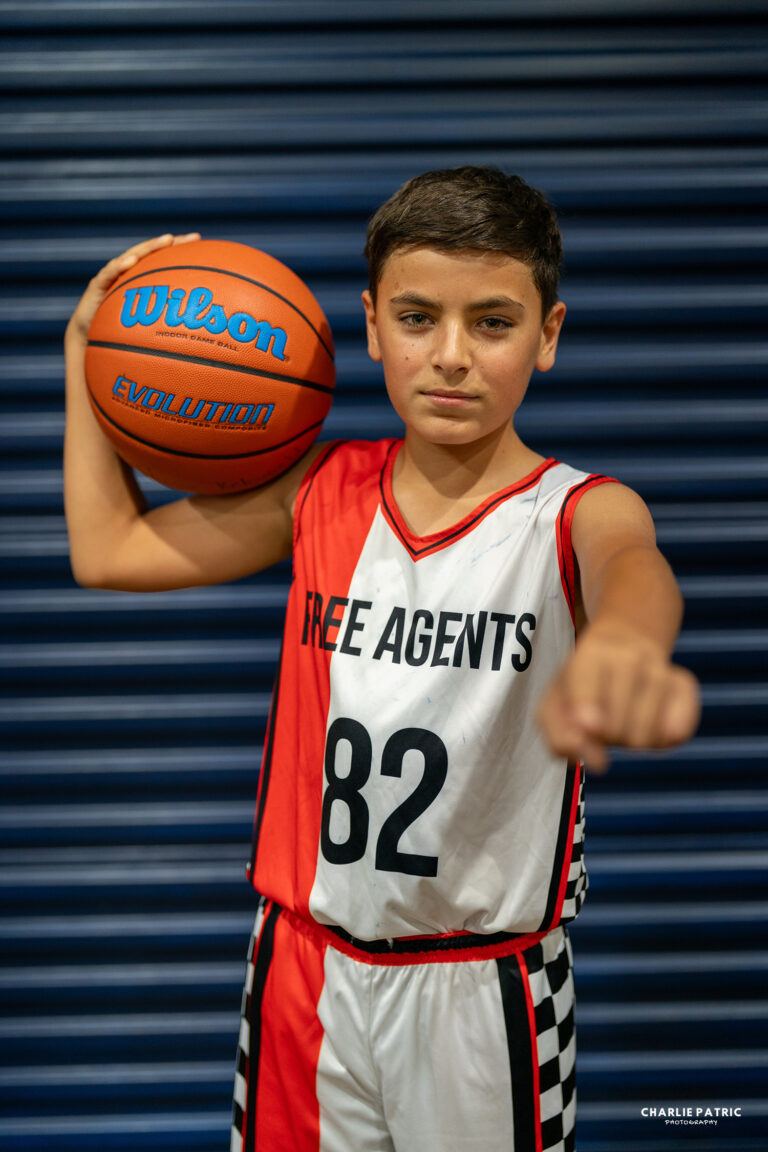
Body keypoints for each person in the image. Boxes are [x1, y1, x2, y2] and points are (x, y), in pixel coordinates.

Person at [64, 167, 700, 1152]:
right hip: (301, 966)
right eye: (417, 318)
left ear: (550, 335)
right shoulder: (318, 492)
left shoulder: (576, 510)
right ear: (369, 326)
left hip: (483, 987)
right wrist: (85, 355)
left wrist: (625, 640)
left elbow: (634, 569)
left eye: (492, 323)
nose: (451, 357)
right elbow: (108, 552)